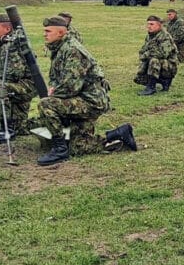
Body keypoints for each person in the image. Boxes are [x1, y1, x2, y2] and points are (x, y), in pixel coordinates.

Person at [34, 16, 137, 166]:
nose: (45, 34)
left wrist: (54, 95)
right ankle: (118, 135)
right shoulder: (60, 48)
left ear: (61, 32)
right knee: (78, 146)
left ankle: (60, 149)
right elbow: (57, 78)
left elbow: (70, 87)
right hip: (81, 98)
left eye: (48, 31)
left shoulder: (72, 50)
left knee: (46, 104)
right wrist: (54, 87)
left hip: (91, 102)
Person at [0, 14, 36, 143]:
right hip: (11, 84)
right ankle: (6, 124)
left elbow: (15, 73)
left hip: (25, 85)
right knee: (22, 128)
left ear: (7, 29)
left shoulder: (13, 45)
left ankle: (8, 129)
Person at [134, 15, 178, 95]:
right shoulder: (150, 36)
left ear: (159, 25)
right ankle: (164, 82)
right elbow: (142, 51)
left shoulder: (165, 36)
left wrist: (147, 54)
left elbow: (163, 54)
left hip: (169, 67)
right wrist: (144, 55)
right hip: (161, 65)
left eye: (152, 24)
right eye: (148, 24)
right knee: (139, 78)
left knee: (153, 60)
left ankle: (151, 87)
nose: (149, 26)